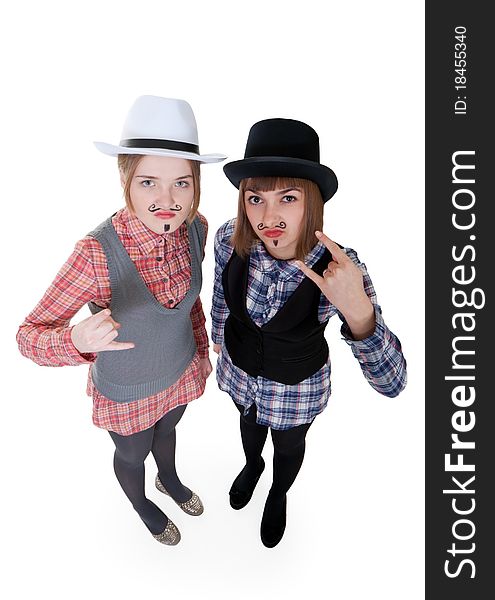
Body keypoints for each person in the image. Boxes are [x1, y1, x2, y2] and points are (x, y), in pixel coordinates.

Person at [17, 95, 225, 545]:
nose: (167, 200)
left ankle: (167, 480)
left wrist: (204, 342)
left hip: (180, 367)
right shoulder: (95, 254)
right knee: (133, 453)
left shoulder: (197, 227)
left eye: (181, 184)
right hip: (128, 387)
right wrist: (75, 339)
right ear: (126, 179)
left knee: (169, 430)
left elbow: (189, 303)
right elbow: (27, 336)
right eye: (149, 182)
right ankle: (142, 503)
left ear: (196, 185)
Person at [211, 118, 407, 548]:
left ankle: (278, 491)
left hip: (295, 389)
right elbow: (221, 300)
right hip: (240, 372)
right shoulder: (229, 239)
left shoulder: (338, 269)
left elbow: (393, 384)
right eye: (255, 198)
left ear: (312, 202)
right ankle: (251, 465)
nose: (269, 216)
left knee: (288, 446)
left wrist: (357, 308)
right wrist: (217, 340)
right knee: (247, 425)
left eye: (288, 197)